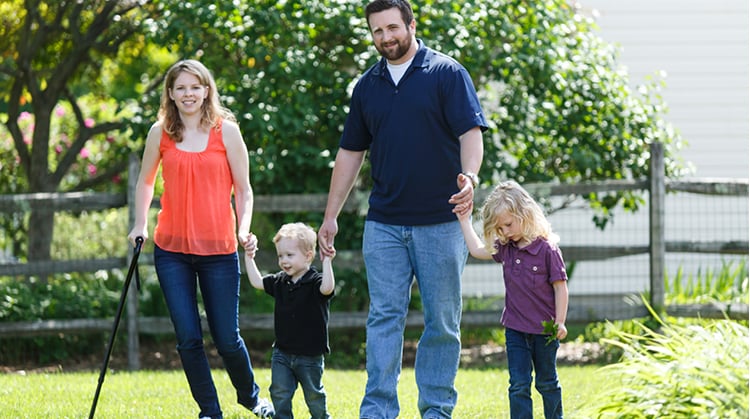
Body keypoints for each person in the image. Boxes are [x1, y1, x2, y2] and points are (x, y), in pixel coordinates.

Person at [317, 0, 488, 417]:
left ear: (411, 25)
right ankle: (377, 410)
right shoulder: (367, 86)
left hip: (442, 221)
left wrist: (470, 177)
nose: (386, 38)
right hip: (385, 223)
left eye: (393, 27)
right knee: (383, 319)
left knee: (442, 323)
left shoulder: (447, 73)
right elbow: (350, 154)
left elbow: (471, 133)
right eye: (377, 31)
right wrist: (330, 215)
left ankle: (436, 409)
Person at [127, 59, 274, 419]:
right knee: (188, 339)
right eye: (180, 88)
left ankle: (251, 397)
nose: (188, 94)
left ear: (207, 89)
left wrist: (243, 228)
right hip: (171, 250)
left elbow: (244, 190)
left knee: (226, 338)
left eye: (195, 87)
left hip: (219, 249)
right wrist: (139, 224)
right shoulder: (160, 132)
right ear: (171, 94)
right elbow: (146, 181)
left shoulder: (227, 132)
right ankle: (210, 411)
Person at [456, 180, 569, 419]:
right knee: (518, 385)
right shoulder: (507, 248)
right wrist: (464, 221)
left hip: (545, 331)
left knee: (547, 383)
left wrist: (560, 321)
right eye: (500, 229)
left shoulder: (548, 249)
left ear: (524, 213)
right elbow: (477, 249)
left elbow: (560, 287)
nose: (505, 232)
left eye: (508, 224)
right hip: (515, 330)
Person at [244, 223, 335, 419]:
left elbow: (327, 288)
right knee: (279, 391)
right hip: (282, 353)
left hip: (310, 356)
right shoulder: (280, 281)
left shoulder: (315, 282)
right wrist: (249, 257)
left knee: (314, 395)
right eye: (280, 256)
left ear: (308, 256)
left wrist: (327, 261)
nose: (284, 260)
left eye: (289, 255)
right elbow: (257, 282)